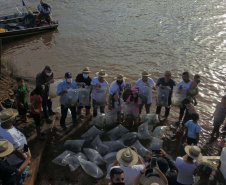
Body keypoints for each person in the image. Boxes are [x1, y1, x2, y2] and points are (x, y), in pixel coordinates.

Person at [0, 109, 29, 185]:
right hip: (18, 159)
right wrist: (27, 159)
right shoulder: (10, 135)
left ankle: (23, 175)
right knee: (18, 174)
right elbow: (18, 151)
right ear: (10, 121)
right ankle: (21, 180)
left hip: (10, 158)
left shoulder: (1, 126)